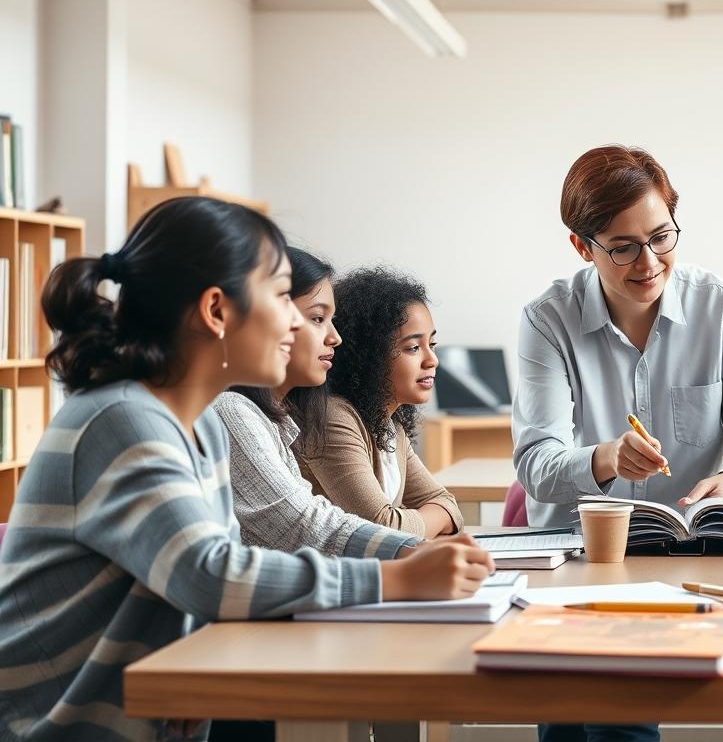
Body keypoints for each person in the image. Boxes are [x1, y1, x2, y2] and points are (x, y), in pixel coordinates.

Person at [0, 197, 493, 741]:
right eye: (283, 296)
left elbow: (213, 570)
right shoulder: (120, 418)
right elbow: (208, 572)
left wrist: (406, 552)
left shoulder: (199, 426)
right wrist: (394, 576)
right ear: (216, 312)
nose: (298, 322)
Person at [511, 145, 723, 742]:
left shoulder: (722, 309)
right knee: (565, 725)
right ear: (581, 247)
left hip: (680, 557)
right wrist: (606, 457)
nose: (649, 262)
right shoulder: (547, 321)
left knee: (623, 724)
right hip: (575, 556)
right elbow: (536, 465)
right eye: (623, 247)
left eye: (662, 237)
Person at [215, 246, 419, 559]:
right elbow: (306, 526)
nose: (334, 337)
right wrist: (416, 550)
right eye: (318, 318)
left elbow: (443, 505)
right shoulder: (231, 411)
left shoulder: (279, 423)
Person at [296, 267, 464, 539]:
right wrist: (417, 520)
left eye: (432, 344)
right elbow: (381, 530)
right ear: (368, 355)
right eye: (412, 347)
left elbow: (449, 506)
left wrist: (410, 521)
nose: (431, 360)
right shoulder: (331, 417)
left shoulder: (388, 424)